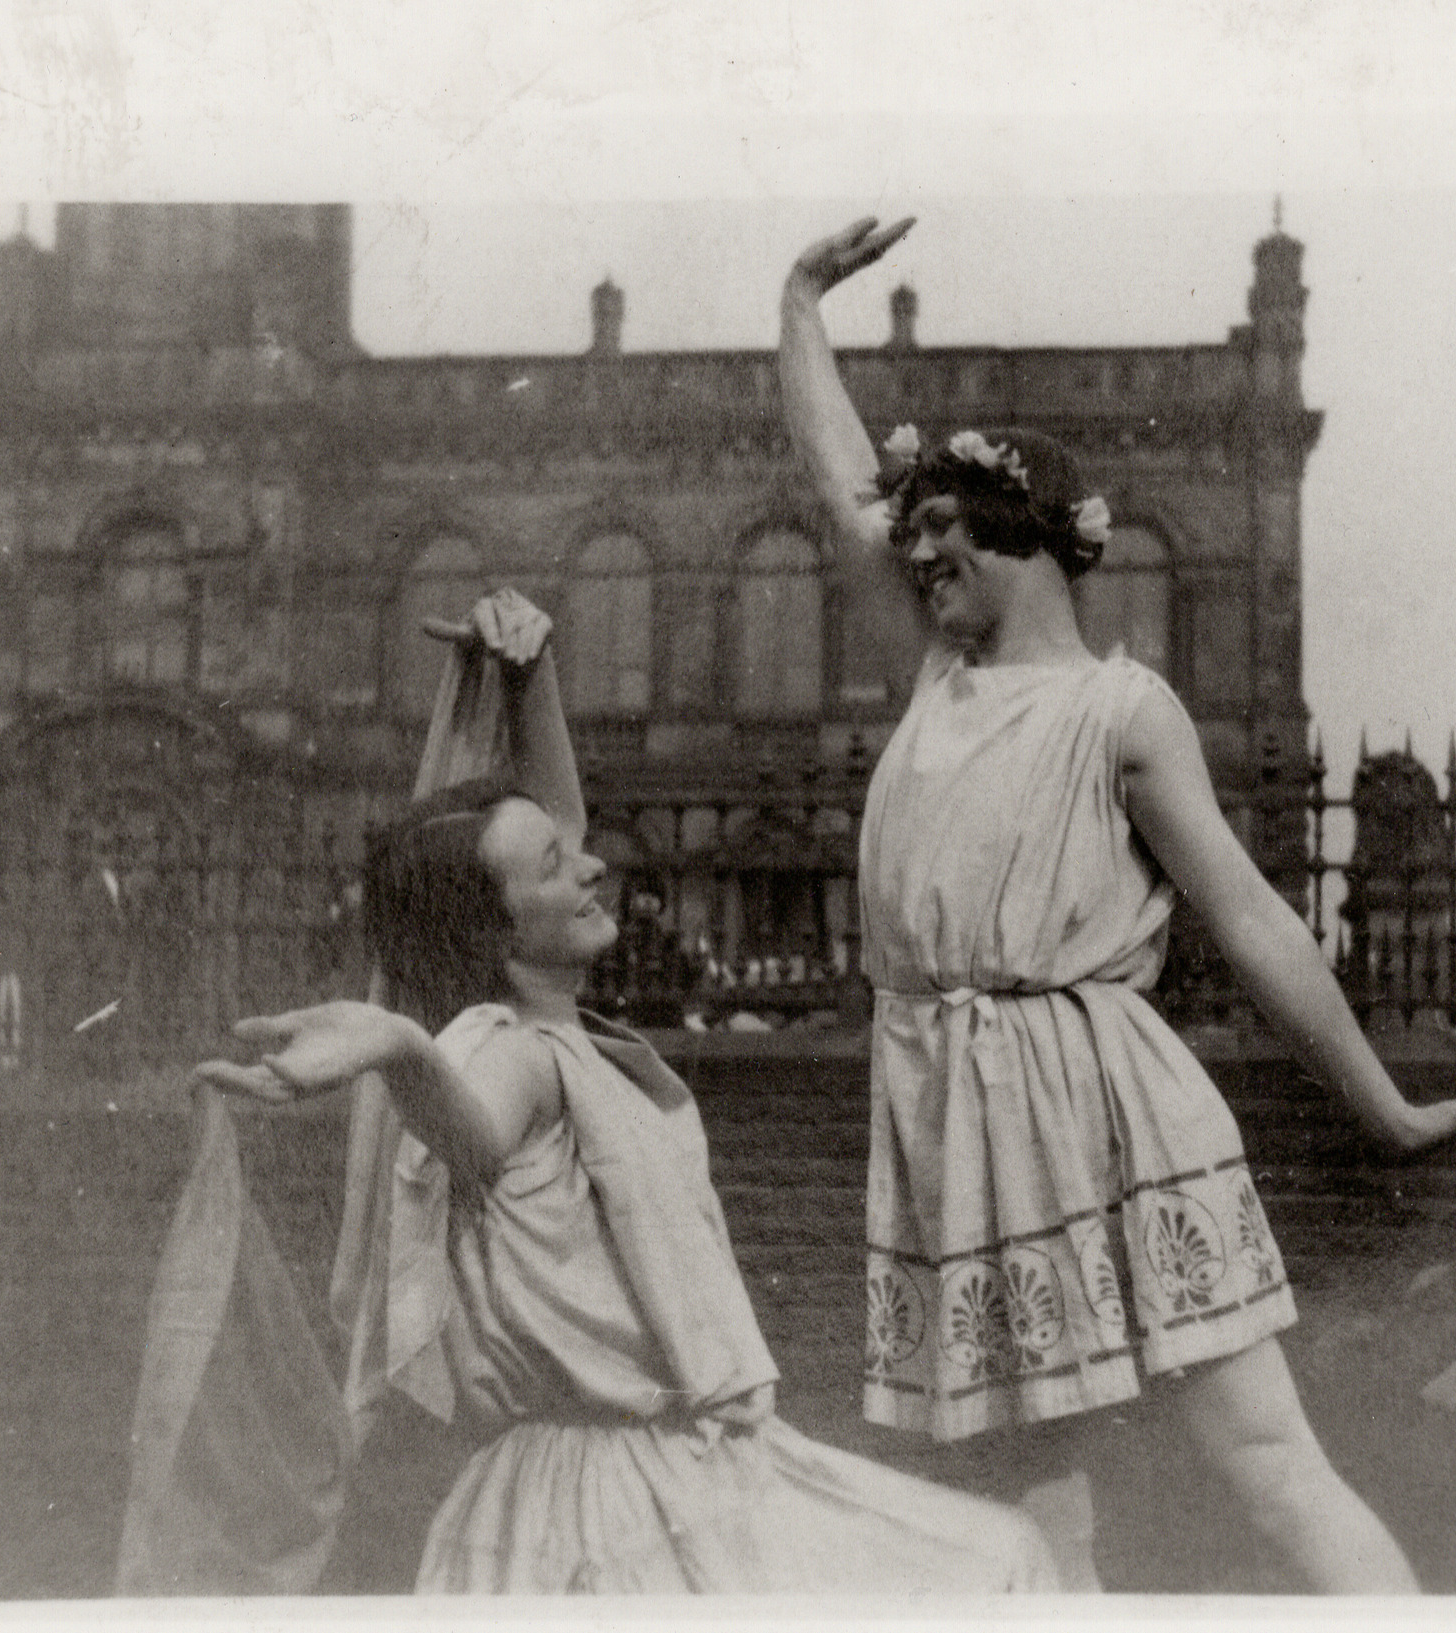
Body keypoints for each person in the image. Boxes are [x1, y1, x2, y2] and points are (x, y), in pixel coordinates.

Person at [779, 217, 1456, 1592]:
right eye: (920, 532)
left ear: (1022, 536)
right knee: (1028, 1497)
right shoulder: (930, 677)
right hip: (953, 1112)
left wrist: (1384, 1104)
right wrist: (797, 306)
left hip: (1101, 1103)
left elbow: (1252, 916)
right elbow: (845, 491)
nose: (918, 549)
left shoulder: (1120, 709)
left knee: (1265, 1464)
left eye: (945, 527)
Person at [193, 592, 1057, 1595]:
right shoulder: (507, 1048)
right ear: (496, 935)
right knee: (998, 1567)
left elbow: (553, 821)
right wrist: (396, 1047)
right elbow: (469, 1135)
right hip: (609, 1495)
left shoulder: (554, 1022)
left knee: (1002, 1562)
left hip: (633, 1465)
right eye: (557, 869)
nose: (592, 861)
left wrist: (534, 670)